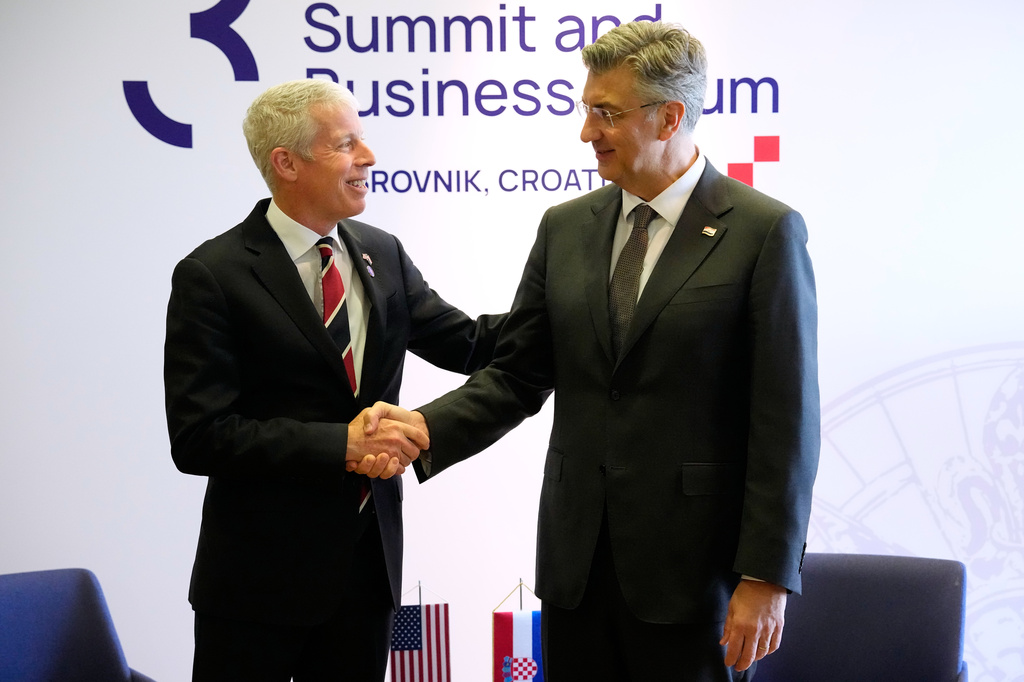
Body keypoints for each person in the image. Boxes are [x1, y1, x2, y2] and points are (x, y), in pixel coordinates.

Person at [373, 20, 820, 682]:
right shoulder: (565, 228)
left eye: (606, 113)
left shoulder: (763, 232)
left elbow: (787, 420)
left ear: (669, 117)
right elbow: (519, 372)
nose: (587, 132)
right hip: (575, 571)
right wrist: (422, 428)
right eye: (586, 110)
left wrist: (767, 575)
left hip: (695, 578)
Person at [163, 79, 505, 682]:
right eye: (346, 144)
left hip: (366, 573)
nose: (368, 157)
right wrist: (340, 444)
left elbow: (472, 344)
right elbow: (200, 437)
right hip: (255, 588)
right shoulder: (213, 274)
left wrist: (570, 309)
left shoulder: (382, 252)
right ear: (287, 163)